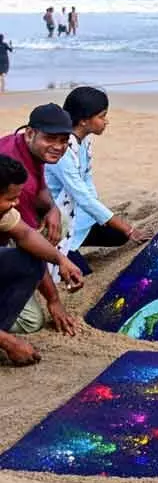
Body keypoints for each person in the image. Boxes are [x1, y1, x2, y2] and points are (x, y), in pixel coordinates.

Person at [46, 87, 150, 277]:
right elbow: (82, 195)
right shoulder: (62, 149)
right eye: (102, 116)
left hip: (78, 214)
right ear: (84, 120)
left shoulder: (83, 140)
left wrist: (109, 220)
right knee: (82, 272)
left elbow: (87, 182)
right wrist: (129, 228)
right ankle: (60, 251)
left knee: (117, 236)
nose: (106, 121)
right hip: (57, 219)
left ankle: (78, 241)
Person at [0, 104, 79, 337]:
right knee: (31, 322)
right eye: (51, 139)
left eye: (64, 140)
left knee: (57, 221)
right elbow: (24, 240)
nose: (58, 147)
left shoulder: (24, 148)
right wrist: (53, 300)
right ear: (31, 133)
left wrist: (52, 208)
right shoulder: (16, 191)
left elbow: (25, 232)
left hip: (9, 229)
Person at [0, 156, 85, 366]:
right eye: (10, 199)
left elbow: (26, 236)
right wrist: (9, 342)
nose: (16, 204)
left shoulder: (4, 212)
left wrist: (60, 260)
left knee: (32, 258)